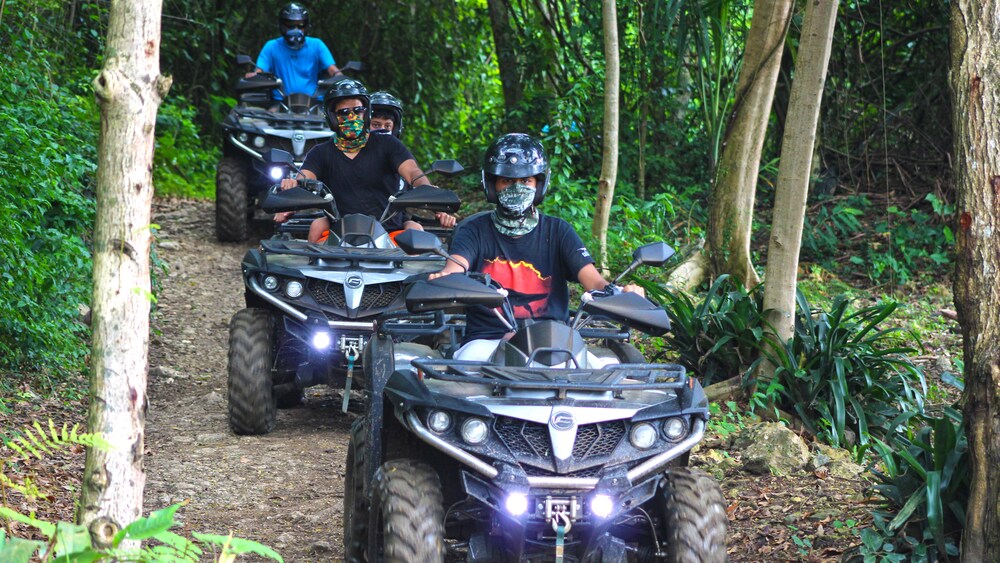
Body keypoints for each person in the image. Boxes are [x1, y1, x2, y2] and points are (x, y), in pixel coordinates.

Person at [429, 133, 644, 364]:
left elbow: (595, 283)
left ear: (539, 184)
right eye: (507, 181)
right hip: (487, 341)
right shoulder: (473, 230)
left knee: (606, 382)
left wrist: (623, 293)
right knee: (459, 378)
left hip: (554, 343)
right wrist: (445, 278)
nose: (517, 187)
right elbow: (457, 267)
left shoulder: (558, 231)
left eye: (526, 181)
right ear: (492, 184)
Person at [274, 79, 456, 243]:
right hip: (338, 231)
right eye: (344, 112)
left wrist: (435, 201)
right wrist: (291, 191)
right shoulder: (320, 152)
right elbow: (305, 179)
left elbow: (413, 173)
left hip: (389, 229)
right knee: (316, 229)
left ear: (366, 113)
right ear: (332, 117)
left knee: (416, 232)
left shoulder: (388, 144)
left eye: (358, 111)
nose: (352, 117)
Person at [245, 3, 342, 102]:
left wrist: (340, 78)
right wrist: (255, 76)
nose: (296, 30)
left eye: (300, 25)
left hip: (314, 103)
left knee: (332, 116)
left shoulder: (317, 45)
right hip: (280, 104)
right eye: (290, 25)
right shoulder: (271, 46)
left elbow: (333, 71)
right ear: (282, 26)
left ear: (306, 26)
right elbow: (260, 71)